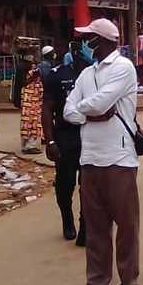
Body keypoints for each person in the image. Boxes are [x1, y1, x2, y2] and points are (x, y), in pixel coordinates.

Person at [64, 18, 141, 285]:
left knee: (126, 227)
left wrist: (86, 110)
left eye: (89, 38)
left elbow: (99, 104)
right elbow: (70, 110)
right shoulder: (86, 73)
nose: (85, 43)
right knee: (95, 228)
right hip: (90, 158)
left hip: (119, 158)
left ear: (103, 40)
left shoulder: (123, 68)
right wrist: (88, 113)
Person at [42, 34, 94, 245]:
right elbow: (46, 109)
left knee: (89, 185)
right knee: (65, 185)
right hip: (65, 137)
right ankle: (67, 219)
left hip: (90, 136)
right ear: (76, 49)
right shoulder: (57, 75)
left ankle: (85, 225)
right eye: (87, 45)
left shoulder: (95, 75)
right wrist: (50, 141)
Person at [20, 54, 44, 154]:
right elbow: (25, 82)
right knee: (31, 123)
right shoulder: (31, 73)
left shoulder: (31, 72)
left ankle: (28, 145)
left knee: (31, 123)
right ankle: (29, 146)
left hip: (33, 99)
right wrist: (34, 76)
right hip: (30, 100)